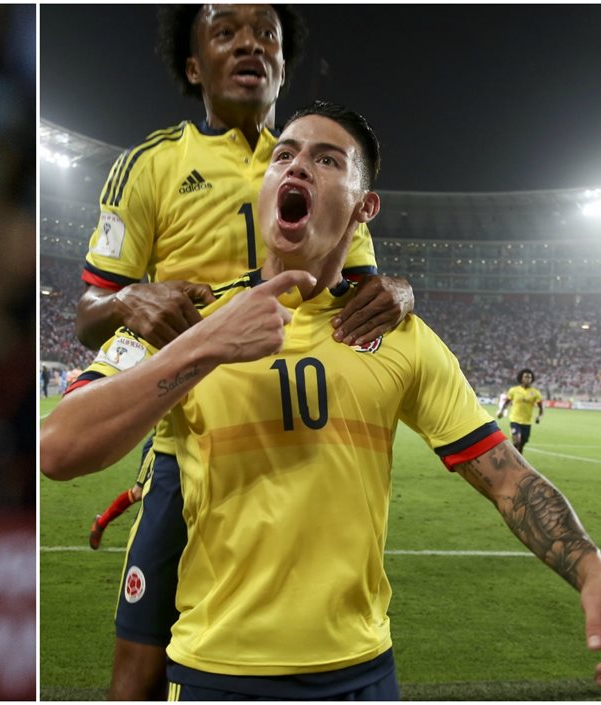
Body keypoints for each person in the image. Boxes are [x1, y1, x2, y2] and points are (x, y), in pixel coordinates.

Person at [42, 101, 601, 699]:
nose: (297, 168)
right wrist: (203, 346)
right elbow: (58, 447)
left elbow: (508, 478)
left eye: (326, 160)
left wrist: (592, 570)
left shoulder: (402, 338)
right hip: (217, 673)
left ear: (363, 207)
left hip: (362, 674)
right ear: (265, 187)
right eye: (284, 156)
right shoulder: (185, 318)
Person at [70, 5, 414, 698]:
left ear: (284, 63)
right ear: (193, 65)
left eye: (267, 34)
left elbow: (365, 288)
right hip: (188, 441)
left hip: (304, 434)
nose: (250, 43)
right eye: (225, 31)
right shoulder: (150, 166)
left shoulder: (324, 165)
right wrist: (127, 300)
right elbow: (87, 312)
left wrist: (400, 290)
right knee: (137, 666)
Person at [498, 367, 544, 454]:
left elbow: (541, 407)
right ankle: (513, 460)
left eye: (529, 377)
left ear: (532, 379)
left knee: (522, 444)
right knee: (516, 441)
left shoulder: (535, 392)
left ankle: (518, 461)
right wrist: (501, 411)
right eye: (525, 377)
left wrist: (539, 417)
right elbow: (507, 402)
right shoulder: (514, 390)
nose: (527, 379)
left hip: (527, 422)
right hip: (515, 420)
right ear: (521, 378)